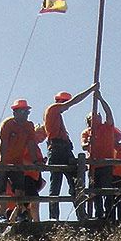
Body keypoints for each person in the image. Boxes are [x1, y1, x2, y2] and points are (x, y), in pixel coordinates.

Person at [40, 83, 97, 221]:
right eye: (64, 103)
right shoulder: (53, 109)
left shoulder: (57, 116)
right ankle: (55, 217)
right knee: (57, 184)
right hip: (57, 149)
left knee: (75, 181)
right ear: (60, 101)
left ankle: (80, 214)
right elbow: (74, 102)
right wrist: (91, 90)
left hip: (63, 149)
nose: (66, 106)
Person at [0, 99, 35, 223]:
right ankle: (1, 216)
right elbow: (4, 143)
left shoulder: (29, 126)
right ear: (15, 112)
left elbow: (31, 143)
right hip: (3, 161)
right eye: (24, 111)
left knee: (19, 189)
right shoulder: (8, 124)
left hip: (17, 162)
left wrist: (35, 160)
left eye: (27, 111)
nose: (26, 114)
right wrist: (2, 160)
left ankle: (20, 214)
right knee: (0, 190)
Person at [81, 95, 116, 220]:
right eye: (94, 116)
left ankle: (109, 214)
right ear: (89, 120)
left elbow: (109, 113)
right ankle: (99, 214)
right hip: (94, 166)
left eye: (98, 116)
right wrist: (89, 142)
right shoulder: (87, 132)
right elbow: (83, 147)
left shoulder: (107, 127)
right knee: (95, 192)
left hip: (106, 164)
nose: (97, 117)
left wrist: (101, 99)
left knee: (107, 190)